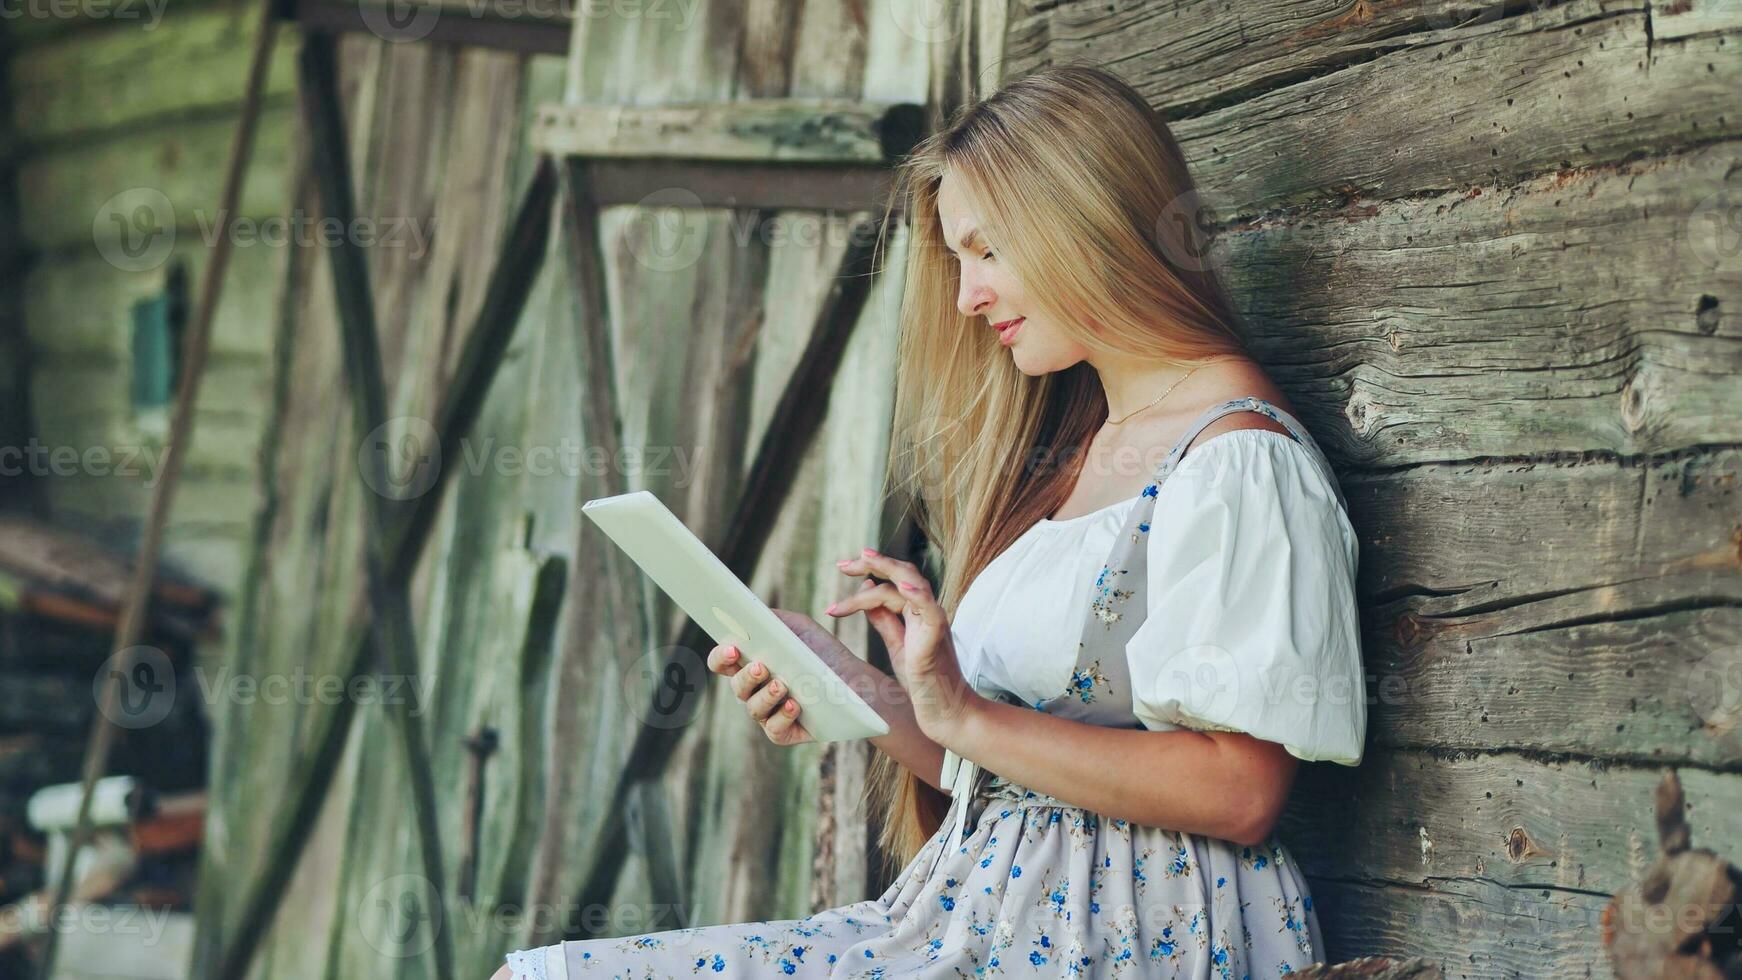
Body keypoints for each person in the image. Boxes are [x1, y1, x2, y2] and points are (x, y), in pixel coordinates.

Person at [496, 62, 1365, 979]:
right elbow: (1004, 759)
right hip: (980, 914)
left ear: (1087, 222)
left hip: (1134, 932)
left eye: (989, 250)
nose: (967, 296)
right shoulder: (1082, 450)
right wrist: (853, 687)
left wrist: (960, 716)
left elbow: (1240, 789)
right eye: (959, 259)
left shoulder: (1237, 461)